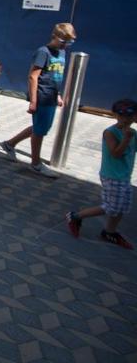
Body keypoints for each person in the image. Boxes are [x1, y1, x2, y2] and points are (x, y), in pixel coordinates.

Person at [0, 22, 77, 178]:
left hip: (51, 95)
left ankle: (10, 143)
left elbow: (55, 76)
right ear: (55, 36)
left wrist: (57, 94)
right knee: (40, 130)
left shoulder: (61, 53)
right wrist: (33, 100)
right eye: (64, 42)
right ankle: (35, 164)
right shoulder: (43, 52)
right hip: (41, 95)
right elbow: (33, 76)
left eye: (70, 42)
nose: (66, 45)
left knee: (40, 127)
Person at [65, 99, 137, 250]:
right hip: (112, 176)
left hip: (124, 176)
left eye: (130, 116)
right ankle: (75, 216)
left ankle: (110, 231)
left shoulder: (133, 133)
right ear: (115, 115)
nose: (126, 119)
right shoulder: (110, 132)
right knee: (111, 207)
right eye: (122, 115)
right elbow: (116, 153)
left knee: (122, 206)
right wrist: (126, 139)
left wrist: (130, 137)